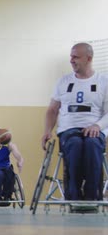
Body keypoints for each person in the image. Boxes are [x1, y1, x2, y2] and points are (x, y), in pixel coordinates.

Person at [42, 42, 108, 201]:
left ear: (89, 58)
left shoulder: (103, 81)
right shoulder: (63, 82)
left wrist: (97, 126)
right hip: (68, 129)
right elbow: (52, 110)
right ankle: (74, 197)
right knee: (75, 145)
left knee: (92, 145)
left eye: (76, 57)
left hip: (95, 129)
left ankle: (93, 198)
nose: (71, 60)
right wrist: (47, 131)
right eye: (71, 56)